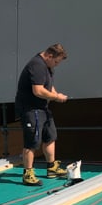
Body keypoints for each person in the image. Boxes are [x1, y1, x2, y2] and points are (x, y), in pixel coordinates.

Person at [15, 43, 68, 186]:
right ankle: (28, 173)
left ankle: (52, 168)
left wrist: (56, 94)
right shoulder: (37, 65)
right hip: (31, 109)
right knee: (32, 141)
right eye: (56, 61)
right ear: (50, 56)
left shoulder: (47, 66)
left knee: (50, 136)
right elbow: (38, 90)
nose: (56, 65)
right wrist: (56, 97)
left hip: (42, 108)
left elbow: (48, 85)